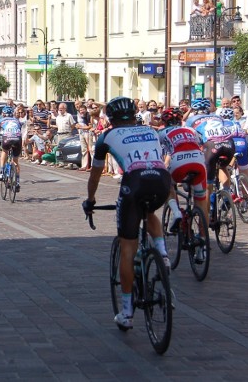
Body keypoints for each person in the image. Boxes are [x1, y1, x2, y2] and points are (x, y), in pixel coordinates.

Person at [82, 97, 171, 329]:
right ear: (134, 115)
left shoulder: (106, 137)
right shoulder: (151, 131)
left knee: (127, 248)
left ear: (110, 118)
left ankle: (127, 312)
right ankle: (162, 253)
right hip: (161, 180)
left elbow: (95, 174)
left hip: (134, 182)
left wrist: (90, 200)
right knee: (149, 208)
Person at [159, 108, 208, 232]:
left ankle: (176, 212)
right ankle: (203, 241)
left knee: (168, 185)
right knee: (201, 202)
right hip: (198, 162)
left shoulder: (161, 132)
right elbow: (202, 142)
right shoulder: (191, 129)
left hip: (178, 162)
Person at [185, 98, 236, 207]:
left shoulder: (191, 120)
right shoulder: (218, 117)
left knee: (208, 185)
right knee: (223, 167)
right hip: (229, 145)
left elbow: (189, 138)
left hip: (211, 146)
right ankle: (227, 193)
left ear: (194, 110)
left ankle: (208, 213)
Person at [0, 106, 22, 192]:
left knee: (4, 151)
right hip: (17, 139)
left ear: (3, 114)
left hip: (7, 138)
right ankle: (17, 182)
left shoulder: (0, 121)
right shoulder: (17, 121)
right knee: (15, 161)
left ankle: (2, 172)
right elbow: (19, 132)